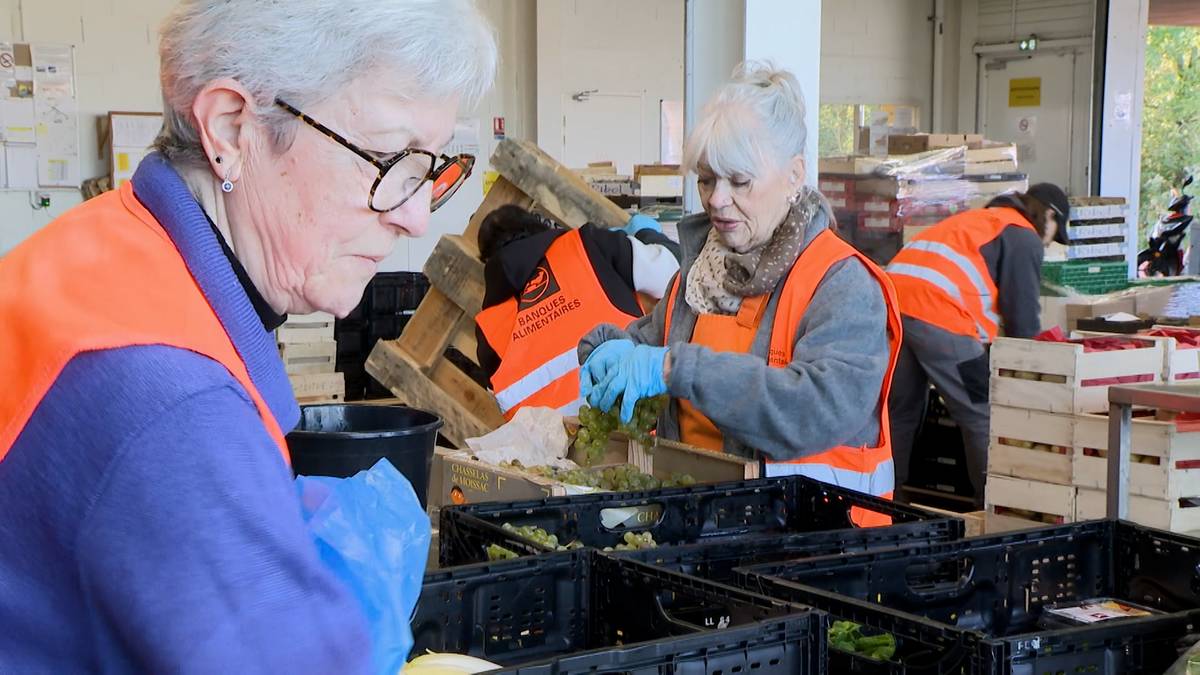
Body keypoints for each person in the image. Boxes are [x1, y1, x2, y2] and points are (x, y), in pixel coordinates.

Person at [0, 0, 495, 671]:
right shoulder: (171, 399)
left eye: (429, 169)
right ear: (232, 128)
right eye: (385, 157)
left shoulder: (105, 248)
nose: (414, 216)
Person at [576, 63, 903, 524]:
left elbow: (812, 410)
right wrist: (607, 348)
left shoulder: (841, 284)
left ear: (793, 176)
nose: (716, 199)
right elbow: (649, 342)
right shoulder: (701, 273)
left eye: (739, 181)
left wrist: (676, 367)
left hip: (810, 553)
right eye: (707, 179)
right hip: (701, 533)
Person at [885, 183, 1071, 506]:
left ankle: (888, 501)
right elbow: (1022, 320)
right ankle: (994, 506)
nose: (1049, 241)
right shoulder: (1022, 233)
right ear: (1050, 215)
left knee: (899, 411)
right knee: (982, 411)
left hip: (891, 305)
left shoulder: (981, 220)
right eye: (1054, 234)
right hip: (939, 313)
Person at [475, 206, 680, 418]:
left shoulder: (487, 327)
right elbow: (673, 272)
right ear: (538, 225)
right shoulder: (587, 245)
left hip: (548, 447)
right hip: (636, 418)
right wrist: (646, 233)